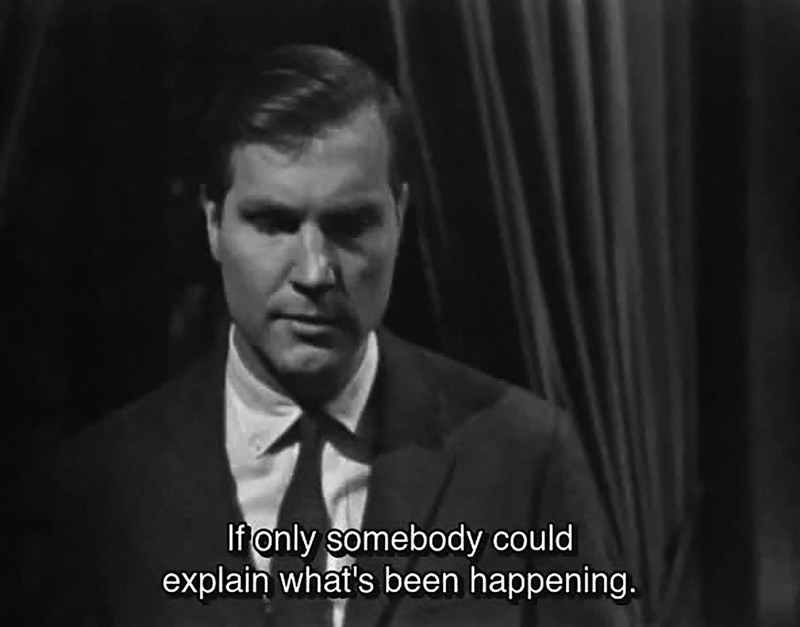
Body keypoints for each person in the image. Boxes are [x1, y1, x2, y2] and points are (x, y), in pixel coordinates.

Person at [37, 44, 634, 626]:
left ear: (399, 218)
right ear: (214, 223)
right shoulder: (103, 483)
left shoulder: (522, 455)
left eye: (349, 225)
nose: (315, 272)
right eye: (274, 223)